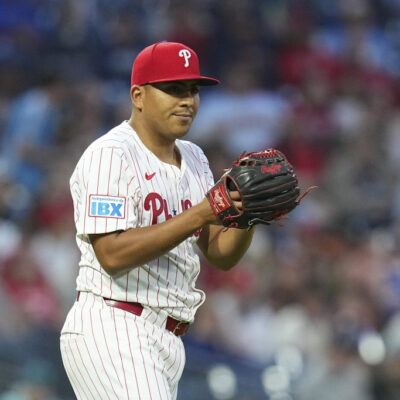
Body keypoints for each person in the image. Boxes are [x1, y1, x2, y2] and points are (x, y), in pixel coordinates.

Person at [60, 41, 255, 400]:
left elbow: (220, 253)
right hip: (114, 324)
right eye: (173, 89)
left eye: (193, 91)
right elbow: (112, 253)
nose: (187, 100)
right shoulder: (110, 155)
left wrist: (249, 217)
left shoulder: (195, 157)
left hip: (166, 339)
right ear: (138, 95)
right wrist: (201, 211)